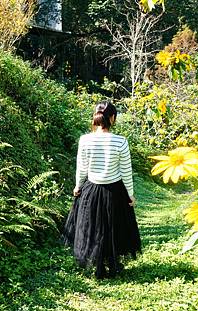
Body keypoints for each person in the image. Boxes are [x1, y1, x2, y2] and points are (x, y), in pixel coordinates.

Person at [61, 100, 142, 279]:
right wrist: (130, 194)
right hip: (115, 191)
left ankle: (97, 265)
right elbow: (126, 171)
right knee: (113, 228)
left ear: (96, 117)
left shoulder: (85, 140)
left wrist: (78, 186)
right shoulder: (121, 141)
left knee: (93, 227)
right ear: (112, 118)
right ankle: (112, 264)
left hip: (91, 189)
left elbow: (82, 167)